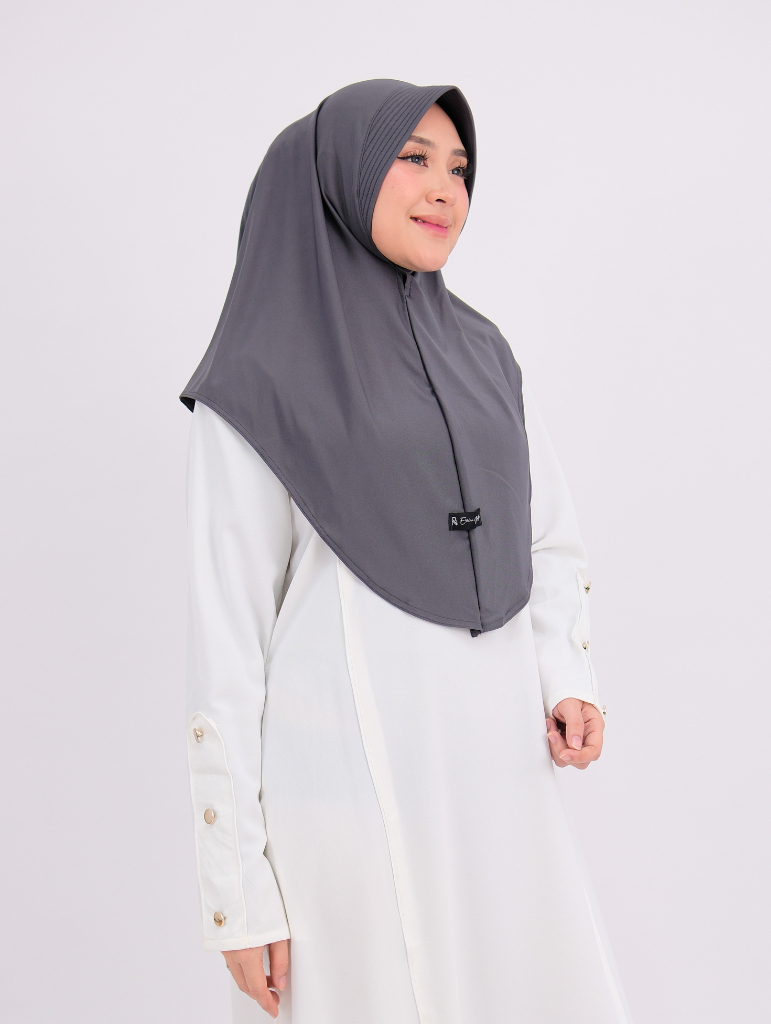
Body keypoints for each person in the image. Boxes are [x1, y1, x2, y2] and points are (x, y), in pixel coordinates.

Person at [181, 79, 631, 1024]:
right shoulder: (258, 380)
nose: (445, 189)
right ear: (340, 177)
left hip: (496, 784)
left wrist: (567, 676)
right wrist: (238, 892)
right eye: (413, 158)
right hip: (344, 793)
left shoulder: (483, 354)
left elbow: (546, 534)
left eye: (459, 168)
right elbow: (227, 641)